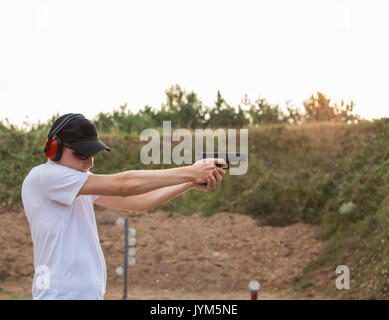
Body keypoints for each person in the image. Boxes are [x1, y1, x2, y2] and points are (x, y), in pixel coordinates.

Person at [21, 113, 225, 300]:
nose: (90, 162)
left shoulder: (77, 182)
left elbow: (140, 202)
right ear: (54, 148)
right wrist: (191, 171)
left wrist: (189, 182)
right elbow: (124, 184)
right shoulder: (45, 177)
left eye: (92, 154)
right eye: (82, 154)